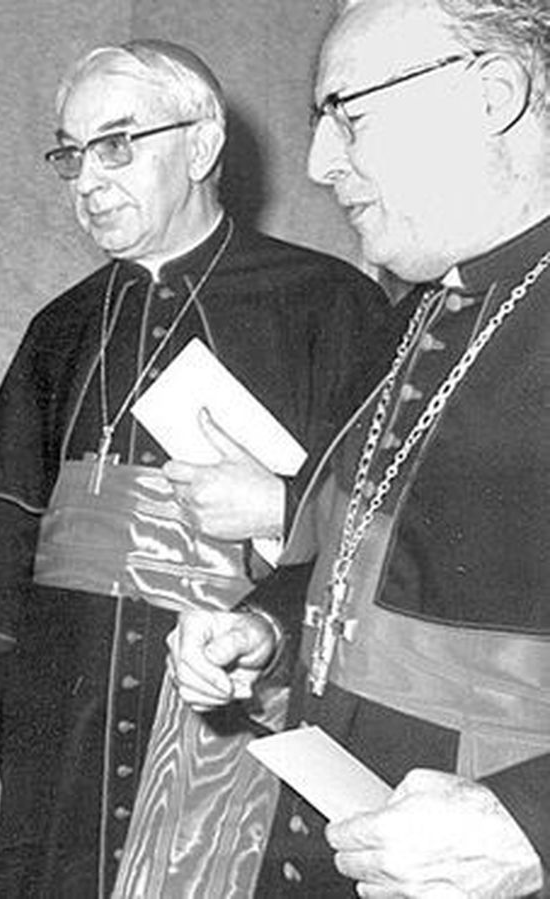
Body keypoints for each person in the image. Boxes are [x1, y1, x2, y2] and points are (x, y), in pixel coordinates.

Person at [0, 39, 399, 896]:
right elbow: (2, 542)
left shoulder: (329, 304)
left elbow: (385, 523)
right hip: (62, 717)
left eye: (117, 144)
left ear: (203, 146)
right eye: (70, 155)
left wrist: (281, 505)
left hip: (237, 697)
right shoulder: (59, 329)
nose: (87, 180)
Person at [169, 0, 550, 894]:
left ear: (493, 93)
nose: (317, 164)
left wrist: (535, 825)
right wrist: (264, 626)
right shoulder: (413, 312)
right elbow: (362, 559)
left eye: (350, 114)